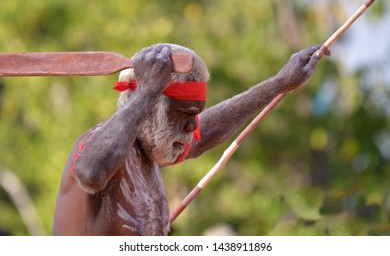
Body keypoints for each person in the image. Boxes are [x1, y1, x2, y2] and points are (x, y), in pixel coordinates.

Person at [52, 43, 327, 235]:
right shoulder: (100, 143)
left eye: (196, 114)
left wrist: (279, 84)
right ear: (150, 107)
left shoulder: (148, 154)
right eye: (185, 113)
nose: (192, 125)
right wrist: (148, 91)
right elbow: (90, 173)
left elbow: (203, 133)